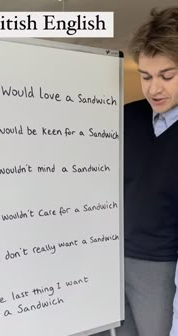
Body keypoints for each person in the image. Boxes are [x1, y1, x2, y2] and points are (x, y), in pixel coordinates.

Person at [115, 6, 178, 336]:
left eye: (167, 76)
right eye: (146, 76)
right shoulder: (127, 117)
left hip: (160, 265)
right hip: (111, 253)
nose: (154, 89)